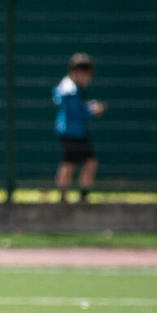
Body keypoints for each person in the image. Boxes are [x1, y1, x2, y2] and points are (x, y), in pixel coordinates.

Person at [53, 52, 104, 203]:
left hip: (72, 131)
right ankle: (77, 197)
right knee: (77, 163)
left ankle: (67, 197)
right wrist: (92, 110)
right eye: (87, 75)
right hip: (73, 133)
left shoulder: (67, 85)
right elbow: (75, 113)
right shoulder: (70, 90)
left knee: (71, 163)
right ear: (78, 72)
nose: (88, 80)